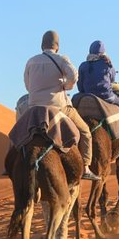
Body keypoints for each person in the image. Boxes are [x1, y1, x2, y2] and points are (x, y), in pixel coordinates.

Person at [24, 30, 100, 181]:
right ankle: (85, 167)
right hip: (58, 107)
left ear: (42, 45)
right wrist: (66, 86)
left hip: (34, 108)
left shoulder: (31, 61)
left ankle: (11, 162)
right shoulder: (61, 59)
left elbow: (27, 85)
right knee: (85, 132)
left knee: (19, 130)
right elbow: (74, 75)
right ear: (57, 46)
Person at [77, 40, 119, 149]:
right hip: (106, 96)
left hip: (87, 95)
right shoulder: (107, 64)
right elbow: (112, 80)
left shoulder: (83, 65)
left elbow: (80, 86)